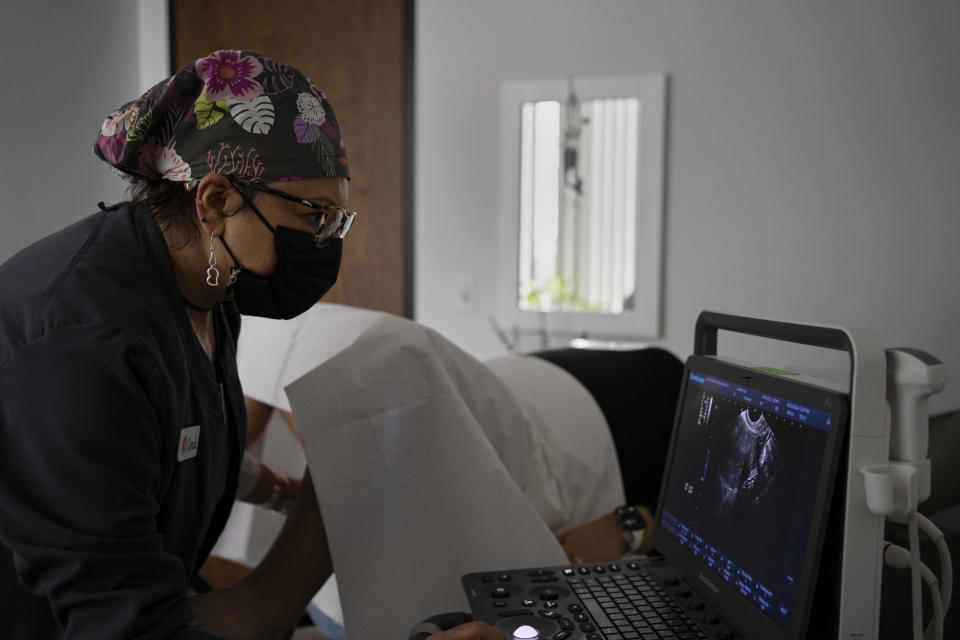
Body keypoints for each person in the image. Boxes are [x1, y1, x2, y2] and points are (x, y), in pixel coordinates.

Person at [0, 49, 502, 640]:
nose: (325, 242)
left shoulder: (208, 288)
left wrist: (268, 488)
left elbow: (171, 431)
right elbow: (127, 627)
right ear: (214, 200)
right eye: (315, 216)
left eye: (337, 221)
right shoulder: (81, 344)